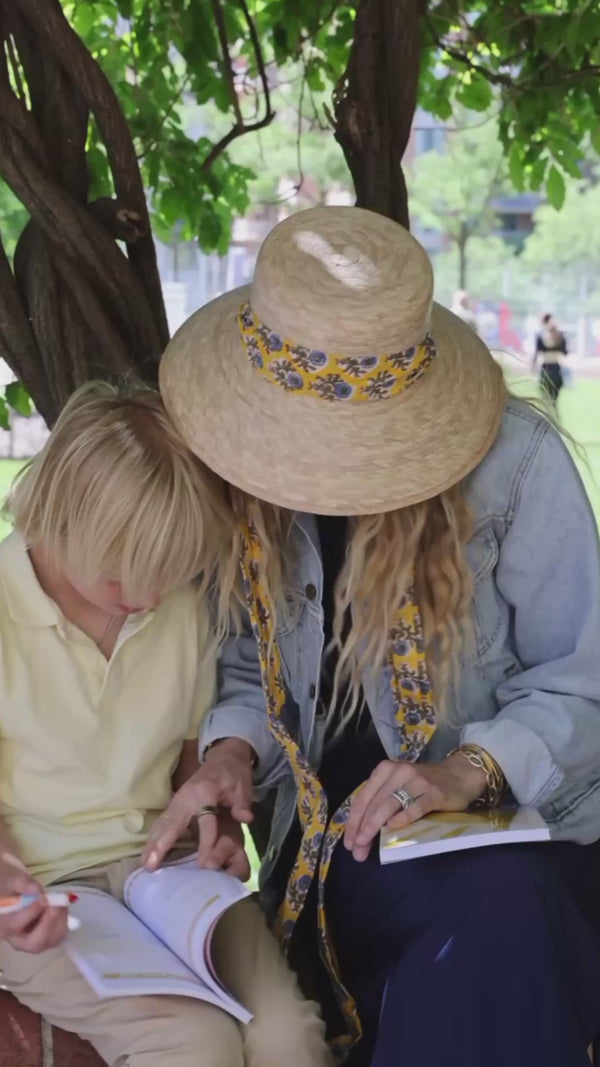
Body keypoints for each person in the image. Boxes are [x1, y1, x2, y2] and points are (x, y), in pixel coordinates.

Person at [151, 207, 600, 1067]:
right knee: (493, 929)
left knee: (504, 904)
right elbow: (247, 667)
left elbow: (582, 681)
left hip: (516, 841)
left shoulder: (517, 463)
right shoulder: (242, 471)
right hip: (333, 863)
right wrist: (231, 756)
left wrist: (464, 771)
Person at [0, 383, 330, 1067]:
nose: (148, 596)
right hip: (45, 887)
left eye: (167, 573)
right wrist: (10, 890)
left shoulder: (179, 603)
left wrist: (217, 830)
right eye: (123, 575)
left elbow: (188, 773)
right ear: (63, 516)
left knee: (287, 1038)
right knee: (191, 1044)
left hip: (169, 877)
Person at [533, 312, 568, 405]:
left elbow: (537, 353)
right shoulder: (560, 337)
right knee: (554, 400)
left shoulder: (541, 337)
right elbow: (565, 352)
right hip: (557, 369)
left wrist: (533, 365)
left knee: (545, 399)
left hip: (546, 368)